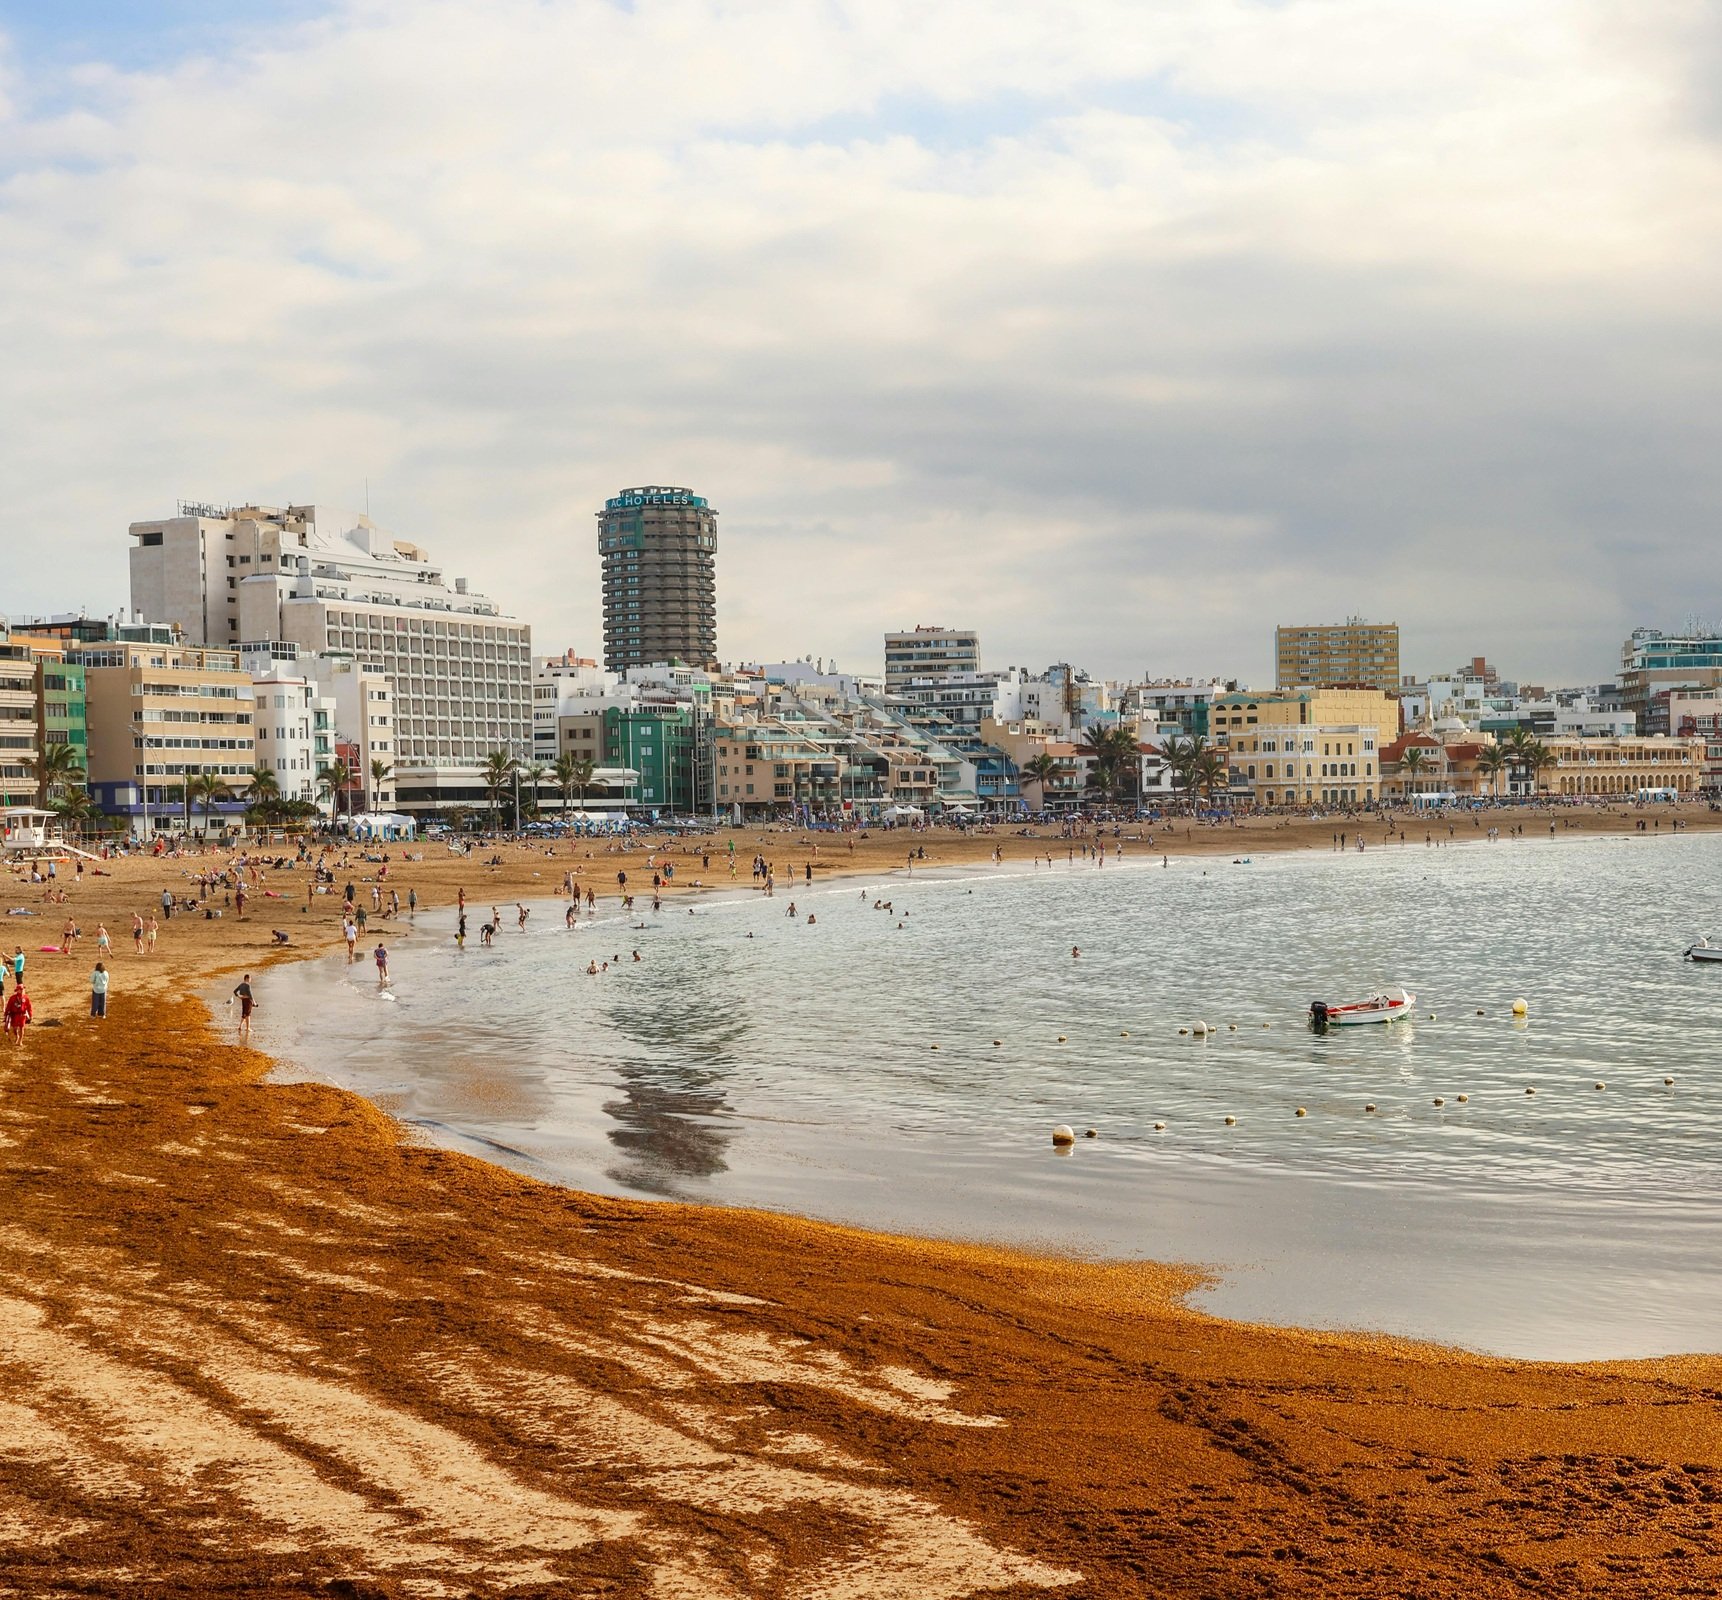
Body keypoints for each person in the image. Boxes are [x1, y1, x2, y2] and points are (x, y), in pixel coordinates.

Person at [4, 982, 30, 1046]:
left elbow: (29, 1006)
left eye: (22, 989)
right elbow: (8, 1006)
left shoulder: (26, 998)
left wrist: (30, 1015)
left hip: (22, 1015)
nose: (21, 990)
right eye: (20, 989)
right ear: (17, 990)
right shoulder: (12, 998)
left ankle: (20, 1041)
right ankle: (17, 1036)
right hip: (15, 1015)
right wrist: (6, 1013)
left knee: (22, 1028)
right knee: (15, 1028)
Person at [231, 974, 255, 1041]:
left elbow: (235, 991)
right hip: (248, 1000)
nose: (250, 980)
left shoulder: (241, 985)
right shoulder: (248, 985)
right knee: (248, 1014)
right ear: (247, 978)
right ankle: (248, 1028)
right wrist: (254, 1002)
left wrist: (239, 997)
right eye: (250, 978)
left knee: (244, 1013)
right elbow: (250, 995)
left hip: (243, 1000)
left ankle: (240, 1026)